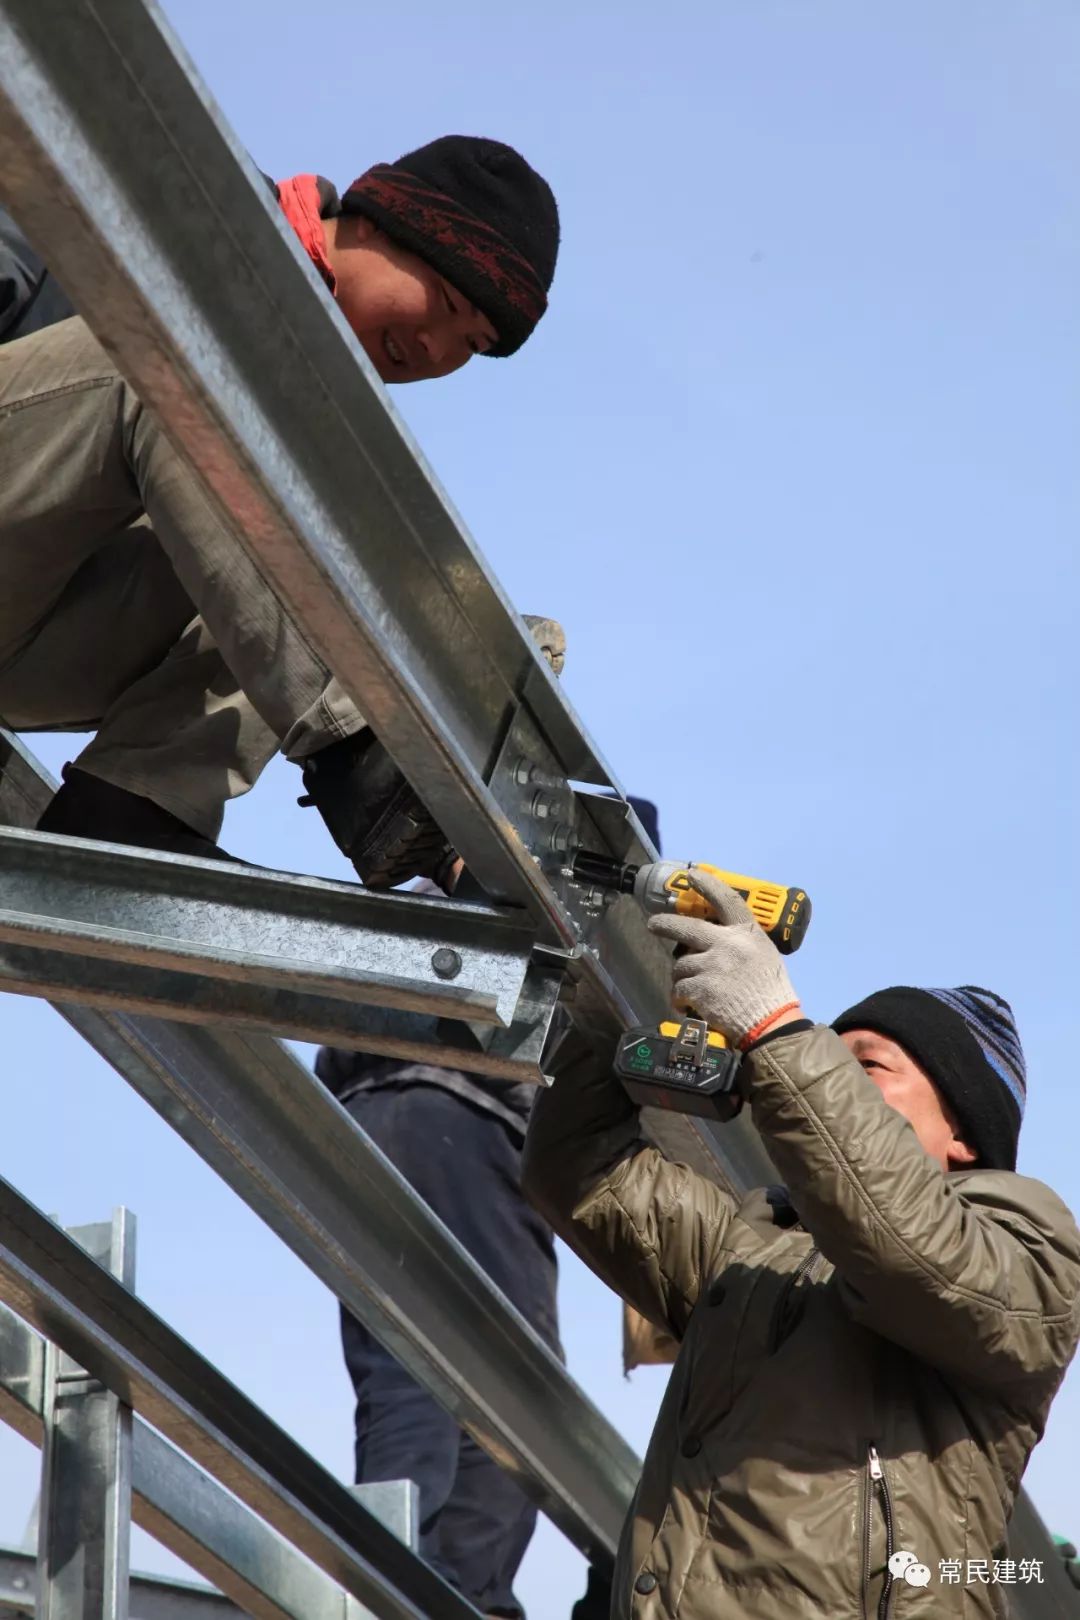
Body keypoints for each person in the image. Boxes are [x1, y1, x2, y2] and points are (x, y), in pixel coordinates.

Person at [0, 136, 559, 887]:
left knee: (363, 551)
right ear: (375, 223)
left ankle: (136, 805)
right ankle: (365, 748)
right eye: (448, 302)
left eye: (471, 343)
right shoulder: (179, 198)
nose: (434, 346)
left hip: (36, 634)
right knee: (186, 354)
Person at [523, 870, 1080, 1618]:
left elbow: (913, 1252)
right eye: (828, 1057)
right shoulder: (755, 1245)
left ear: (964, 1136)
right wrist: (620, 998)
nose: (824, 1072)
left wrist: (776, 1029)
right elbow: (579, 1168)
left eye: (868, 1066)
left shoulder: (1032, 1244)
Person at [316, 796, 662, 1620]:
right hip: (453, 1116)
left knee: (450, 1368)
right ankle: (428, 1588)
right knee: (494, 1376)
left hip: (411, 1116)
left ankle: (448, 1585)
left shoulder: (455, 898)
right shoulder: (518, 903)